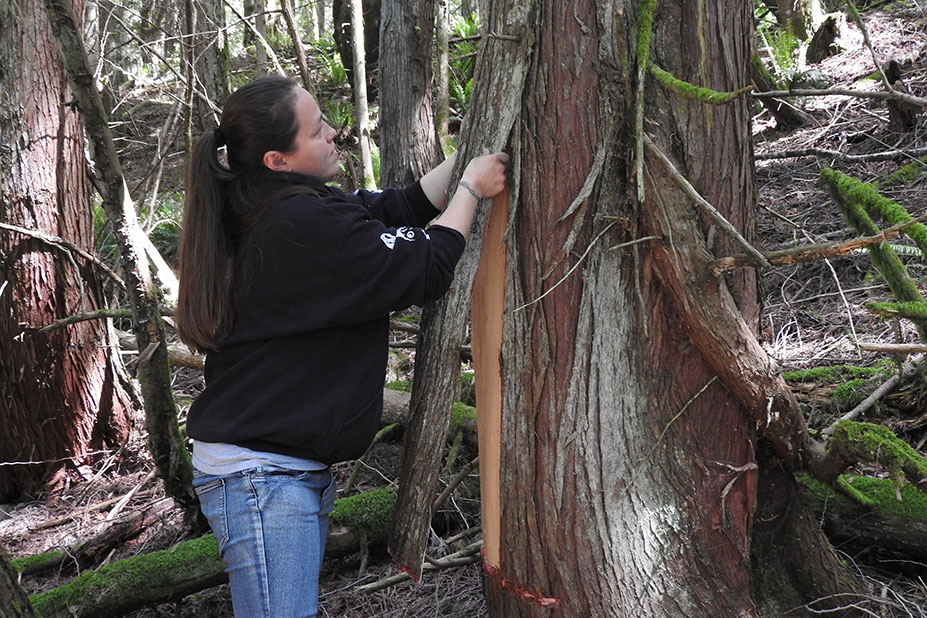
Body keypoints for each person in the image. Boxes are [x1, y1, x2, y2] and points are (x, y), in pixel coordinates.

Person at [174, 75, 508, 618]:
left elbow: (401, 208)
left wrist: (475, 145)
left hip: (274, 470)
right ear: (278, 160)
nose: (334, 133)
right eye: (316, 129)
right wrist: (471, 190)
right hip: (263, 478)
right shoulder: (298, 223)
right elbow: (425, 263)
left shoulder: (279, 203)